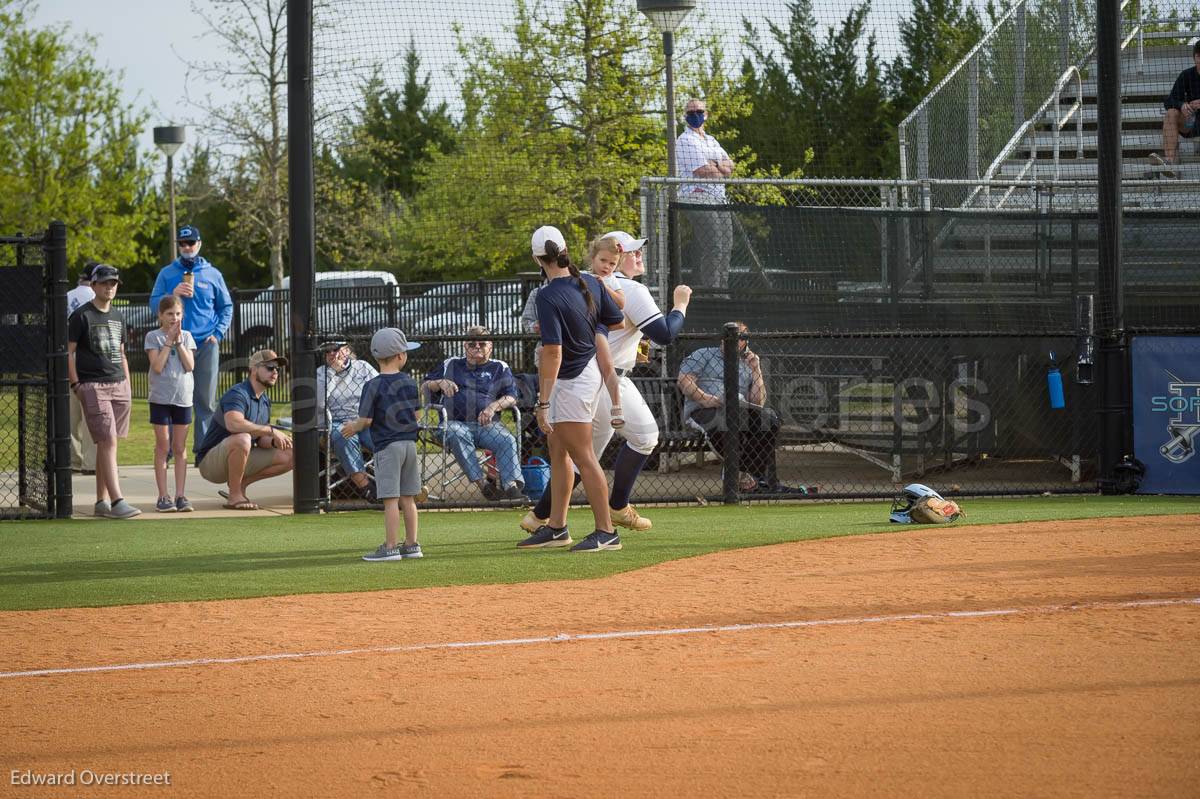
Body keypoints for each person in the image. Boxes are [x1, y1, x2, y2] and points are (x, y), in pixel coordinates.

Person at [521, 231, 692, 534]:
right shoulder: (624, 289)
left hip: (579, 375)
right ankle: (612, 517)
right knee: (630, 442)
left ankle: (544, 518)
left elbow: (609, 326)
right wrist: (680, 305)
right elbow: (665, 333)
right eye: (632, 252)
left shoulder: (581, 283)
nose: (638, 257)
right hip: (597, 377)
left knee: (574, 456)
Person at [518, 225, 625, 553]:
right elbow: (616, 320)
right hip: (584, 373)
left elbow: (553, 352)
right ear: (564, 249)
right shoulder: (590, 281)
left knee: (584, 455)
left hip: (572, 379)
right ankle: (556, 527)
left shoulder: (547, 294)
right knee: (559, 451)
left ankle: (607, 532)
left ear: (538, 258)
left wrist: (543, 402)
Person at [677, 321, 809, 494]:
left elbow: (757, 402)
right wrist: (706, 399)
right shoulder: (703, 354)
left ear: (745, 342)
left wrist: (756, 370)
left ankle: (755, 479)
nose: (731, 341)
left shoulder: (747, 364)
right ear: (722, 339)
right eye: (727, 337)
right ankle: (753, 478)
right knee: (727, 423)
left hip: (739, 411)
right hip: (705, 410)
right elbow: (684, 381)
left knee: (769, 419)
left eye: (739, 338)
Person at [341, 328, 424, 562]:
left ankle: (390, 547)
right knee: (408, 498)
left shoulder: (373, 385)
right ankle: (411, 544)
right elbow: (417, 414)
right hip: (409, 444)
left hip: (388, 447)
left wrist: (352, 428)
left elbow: (366, 420)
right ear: (400, 356)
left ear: (377, 357)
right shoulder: (409, 381)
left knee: (390, 500)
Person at [149, 224, 233, 454]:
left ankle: (203, 451)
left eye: (191, 243)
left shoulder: (213, 274)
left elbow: (226, 307)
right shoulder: (167, 273)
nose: (186, 247)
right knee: (170, 395)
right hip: (175, 343)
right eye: (182, 244)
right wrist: (172, 294)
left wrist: (218, 334)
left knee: (205, 401)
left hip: (206, 343)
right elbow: (153, 304)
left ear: (199, 244)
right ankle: (166, 452)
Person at [67, 264, 140, 518]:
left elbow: (121, 354)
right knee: (107, 441)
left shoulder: (118, 316)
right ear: (94, 285)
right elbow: (69, 352)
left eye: (114, 283)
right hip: (93, 385)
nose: (110, 287)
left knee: (107, 444)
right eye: (105, 283)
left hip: (118, 383)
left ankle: (102, 501)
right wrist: (76, 384)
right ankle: (118, 501)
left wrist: (127, 384)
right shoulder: (81, 316)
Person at [421, 325, 525, 501]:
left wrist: (493, 407)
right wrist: (439, 382)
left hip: (487, 425)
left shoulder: (499, 367)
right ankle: (483, 485)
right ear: (465, 346)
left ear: (490, 346)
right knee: (456, 432)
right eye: (472, 344)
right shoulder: (451, 364)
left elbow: (512, 397)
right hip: (453, 424)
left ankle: (511, 486)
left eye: (482, 343)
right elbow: (424, 386)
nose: (477, 347)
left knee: (506, 439)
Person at [195, 349, 294, 510]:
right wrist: (271, 430)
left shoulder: (264, 400)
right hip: (210, 464)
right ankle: (234, 497)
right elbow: (233, 424)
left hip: (240, 454)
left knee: (292, 454)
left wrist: (278, 440)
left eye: (277, 369)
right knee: (242, 438)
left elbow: (261, 440)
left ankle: (240, 486)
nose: (275, 372)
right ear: (254, 369)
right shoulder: (238, 393)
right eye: (270, 367)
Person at [145, 295, 197, 512]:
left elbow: (190, 365)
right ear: (160, 315)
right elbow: (157, 366)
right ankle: (163, 495)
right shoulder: (153, 337)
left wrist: (178, 342)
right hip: (160, 398)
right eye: (169, 314)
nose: (174, 318)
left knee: (179, 447)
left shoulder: (186, 336)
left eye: (177, 314)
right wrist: (168, 341)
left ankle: (180, 495)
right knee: (163, 445)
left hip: (183, 398)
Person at [675, 97, 734, 290]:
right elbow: (702, 170)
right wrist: (719, 167)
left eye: (699, 112)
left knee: (727, 245)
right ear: (685, 116)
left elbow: (730, 165)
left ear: (706, 114)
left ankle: (722, 290)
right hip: (697, 196)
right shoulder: (684, 140)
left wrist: (715, 165)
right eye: (691, 113)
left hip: (719, 198)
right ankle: (712, 292)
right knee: (714, 245)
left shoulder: (711, 140)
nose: (695, 116)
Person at [317, 340, 379, 499]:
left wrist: (364, 420)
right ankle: (368, 489)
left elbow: (379, 391)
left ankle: (396, 485)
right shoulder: (321, 373)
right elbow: (320, 403)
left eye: (335, 349)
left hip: (364, 420)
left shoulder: (363, 367)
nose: (331, 354)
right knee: (344, 435)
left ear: (346, 350)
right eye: (327, 350)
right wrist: (332, 374)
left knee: (383, 439)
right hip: (336, 421)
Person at [67, 261, 98, 474]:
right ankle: (91, 463)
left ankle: (73, 460)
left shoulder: (66, 296)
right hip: (93, 359)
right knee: (92, 415)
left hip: (68, 356)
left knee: (71, 415)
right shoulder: (99, 298)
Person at [1152, 40, 1200, 170]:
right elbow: (1169, 101)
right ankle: (1169, 162)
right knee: (1171, 113)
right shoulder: (1186, 75)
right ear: (1194, 57)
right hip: (1192, 123)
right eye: (1198, 56)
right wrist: (1182, 105)